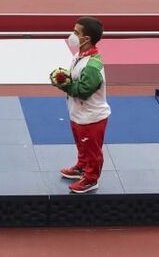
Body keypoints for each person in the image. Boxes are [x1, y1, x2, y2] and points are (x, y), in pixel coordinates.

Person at [52, 16, 111, 194]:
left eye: (77, 32)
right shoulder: (79, 55)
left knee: (92, 151)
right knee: (82, 146)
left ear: (87, 39)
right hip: (78, 113)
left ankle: (91, 180)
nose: (73, 35)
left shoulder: (92, 65)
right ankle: (82, 167)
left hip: (92, 118)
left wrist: (64, 84)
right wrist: (64, 76)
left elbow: (84, 90)